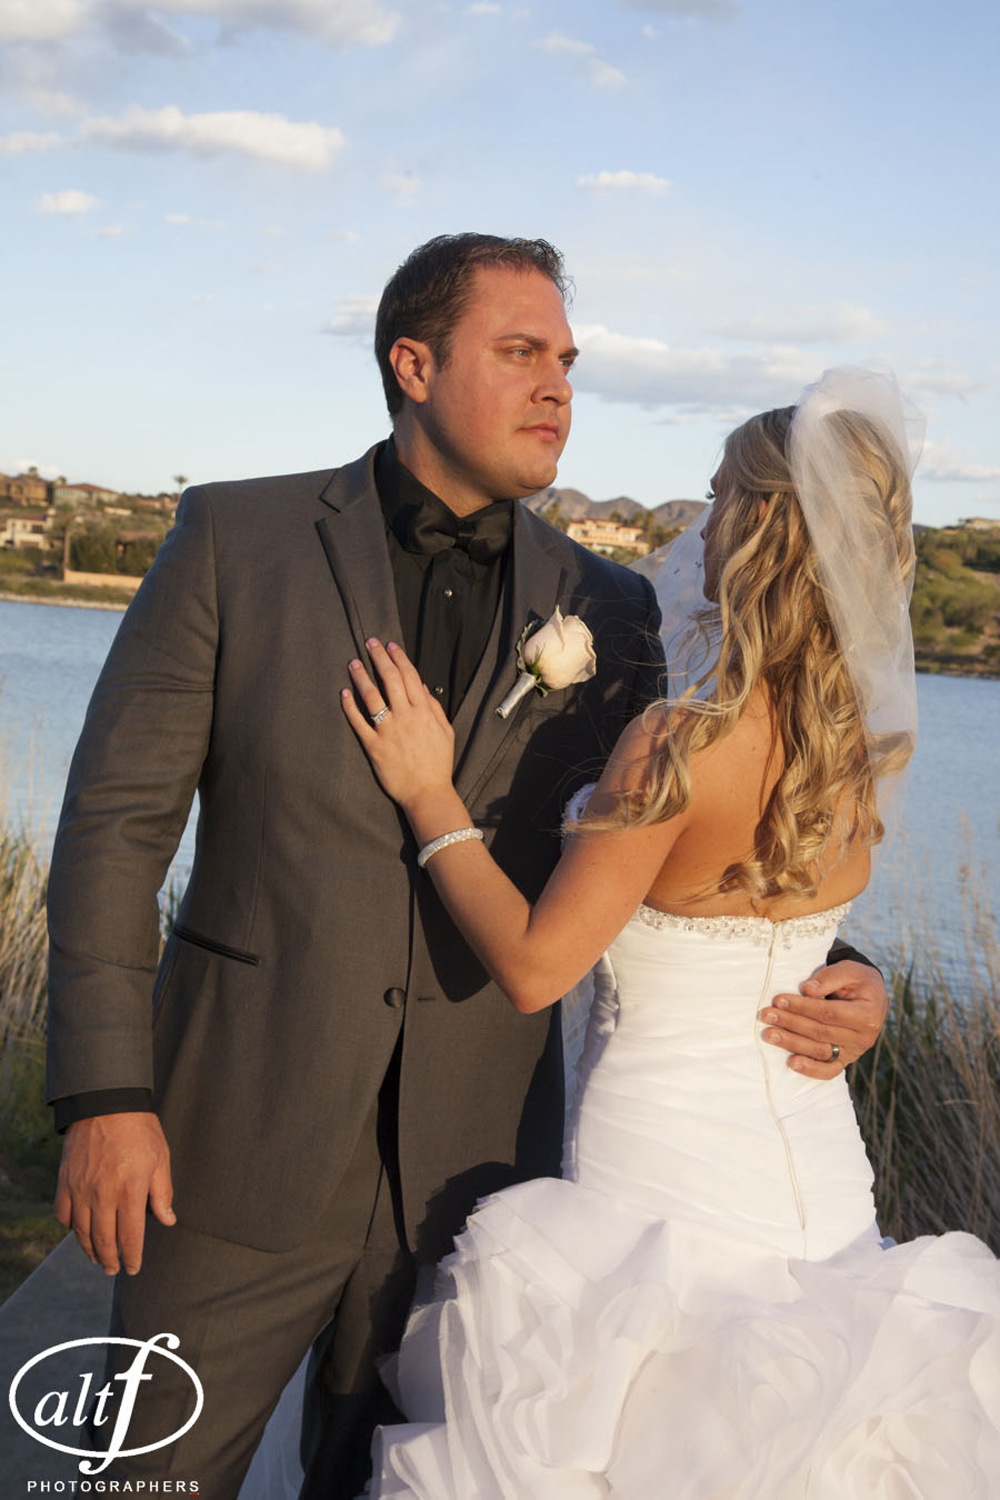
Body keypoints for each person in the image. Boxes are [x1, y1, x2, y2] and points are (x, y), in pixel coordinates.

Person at [45, 236, 886, 1500]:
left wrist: (842, 966)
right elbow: (114, 829)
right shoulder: (235, 537)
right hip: (233, 1148)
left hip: (475, 1183)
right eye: (521, 352)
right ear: (414, 363)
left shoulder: (611, 606)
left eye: (568, 361)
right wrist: (104, 1097)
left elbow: (680, 853)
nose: (558, 386)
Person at [343, 369, 1000, 1497]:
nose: (703, 518)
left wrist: (428, 795)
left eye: (721, 493)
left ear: (765, 528)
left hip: (662, 1187)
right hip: (821, 1187)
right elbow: (780, 929)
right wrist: (867, 982)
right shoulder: (860, 753)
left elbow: (537, 968)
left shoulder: (677, 744)